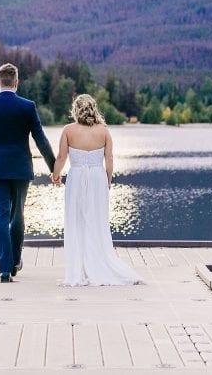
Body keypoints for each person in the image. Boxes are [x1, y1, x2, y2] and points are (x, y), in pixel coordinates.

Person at [0, 63, 56, 283]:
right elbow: (41, 140)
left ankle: (3, 269)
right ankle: (15, 262)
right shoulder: (27, 107)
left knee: (0, 217)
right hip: (20, 169)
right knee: (18, 214)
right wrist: (54, 167)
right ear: (17, 82)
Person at [51, 94, 142, 286]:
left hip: (76, 178)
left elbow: (61, 157)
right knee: (96, 221)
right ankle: (96, 265)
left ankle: (79, 269)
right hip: (97, 179)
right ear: (94, 108)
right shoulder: (104, 131)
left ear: (76, 109)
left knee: (76, 221)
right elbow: (109, 161)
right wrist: (107, 182)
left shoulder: (68, 130)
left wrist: (55, 175)